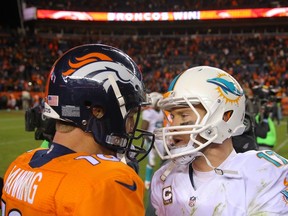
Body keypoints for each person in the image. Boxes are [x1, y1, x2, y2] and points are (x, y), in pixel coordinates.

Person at [1, 44, 155, 215]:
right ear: (97, 111)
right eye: (130, 115)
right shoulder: (106, 181)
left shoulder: (19, 165)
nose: (132, 126)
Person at [150, 66, 288, 215]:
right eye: (172, 116)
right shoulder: (163, 179)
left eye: (184, 115)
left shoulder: (265, 174)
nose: (173, 126)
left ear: (225, 116)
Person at [142, 92, 164, 190]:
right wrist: (150, 141)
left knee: (165, 159)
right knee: (152, 162)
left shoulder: (161, 112)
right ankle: (147, 181)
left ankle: (162, 179)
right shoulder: (148, 113)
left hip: (160, 139)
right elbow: (143, 129)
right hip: (150, 139)